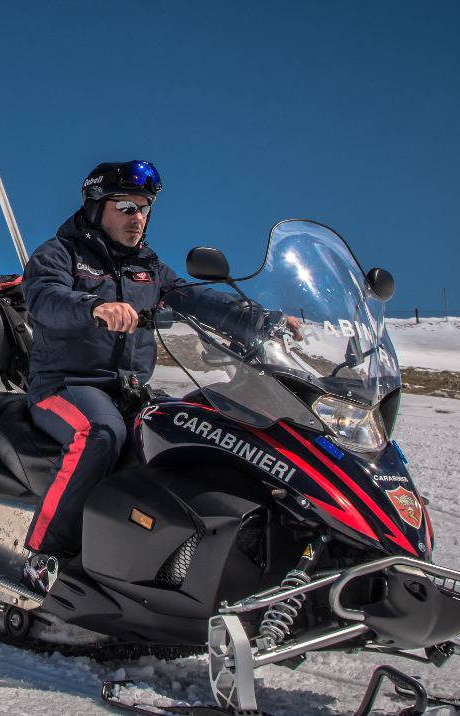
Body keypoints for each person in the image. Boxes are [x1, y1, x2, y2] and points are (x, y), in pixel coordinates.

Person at [17, 160, 296, 593]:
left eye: (144, 208)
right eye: (126, 206)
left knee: (191, 427)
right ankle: (43, 555)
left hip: (127, 389)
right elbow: (44, 298)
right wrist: (93, 307)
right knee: (100, 432)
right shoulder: (58, 254)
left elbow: (196, 300)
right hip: (65, 387)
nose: (137, 217)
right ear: (96, 208)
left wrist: (262, 321)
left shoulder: (148, 267)